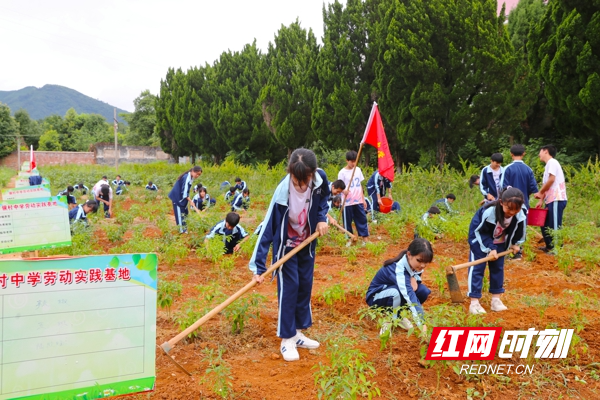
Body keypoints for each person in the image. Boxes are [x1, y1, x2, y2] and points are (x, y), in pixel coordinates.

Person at [249, 148, 329, 362]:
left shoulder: (320, 179)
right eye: (296, 180)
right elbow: (267, 229)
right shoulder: (282, 192)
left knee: (305, 286)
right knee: (290, 288)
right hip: (286, 247)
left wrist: (322, 218)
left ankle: (298, 333)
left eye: (305, 181)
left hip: (307, 244)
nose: (301, 185)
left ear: (312, 173)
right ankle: (287, 339)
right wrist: (259, 267)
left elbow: (324, 201)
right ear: (290, 172)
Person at [467, 188, 526, 314]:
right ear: (501, 203)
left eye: (516, 209)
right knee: (477, 268)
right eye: (509, 208)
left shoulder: (520, 214)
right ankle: (474, 302)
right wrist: (490, 248)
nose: (512, 212)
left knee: (498, 268)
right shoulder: (490, 212)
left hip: (499, 240)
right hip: (480, 239)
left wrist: (515, 243)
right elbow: (481, 232)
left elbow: (520, 229)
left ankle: (496, 300)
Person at [366, 238, 432, 337]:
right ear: (409, 255)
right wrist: (422, 325)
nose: (422, 265)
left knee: (423, 291)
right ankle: (388, 320)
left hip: (394, 292)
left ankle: (398, 316)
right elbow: (410, 296)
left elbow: (414, 280)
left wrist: (414, 279)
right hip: (376, 297)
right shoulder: (398, 268)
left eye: (426, 262)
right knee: (395, 292)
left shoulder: (416, 265)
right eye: (419, 260)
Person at [534, 145, 567, 253]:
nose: (539, 154)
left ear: (545, 151)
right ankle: (549, 246)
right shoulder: (548, 165)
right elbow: (546, 184)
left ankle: (557, 249)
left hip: (557, 198)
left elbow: (551, 180)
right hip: (550, 199)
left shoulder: (552, 162)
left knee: (554, 225)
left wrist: (540, 192)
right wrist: (540, 200)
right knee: (545, 224)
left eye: (540, 151)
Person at [338, 150, 369, 241]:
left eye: (355, 161)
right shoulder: (342, 173)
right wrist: (344, 191)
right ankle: (350, 239)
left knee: (362, 219)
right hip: (347, 202)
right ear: (347, 161)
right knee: (347, 221)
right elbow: (338, 187)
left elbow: (360, 185)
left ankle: (365, 239)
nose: (354, 163)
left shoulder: (358, 170)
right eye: (352, 161)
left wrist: (363, 199)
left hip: (358, 200)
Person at [168, 166, 202, 234]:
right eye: (197, 174)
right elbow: (184, 193)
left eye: (199, 175)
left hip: (182, 200)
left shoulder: (191, 178)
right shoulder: (186, 177)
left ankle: (185, 230)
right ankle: (182, 233)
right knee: (180, 216)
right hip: (177, 199)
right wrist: (191, 201)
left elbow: (187, 191)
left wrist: (189, 201)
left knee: (185, 214)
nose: (197, 176)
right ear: (192, 171)